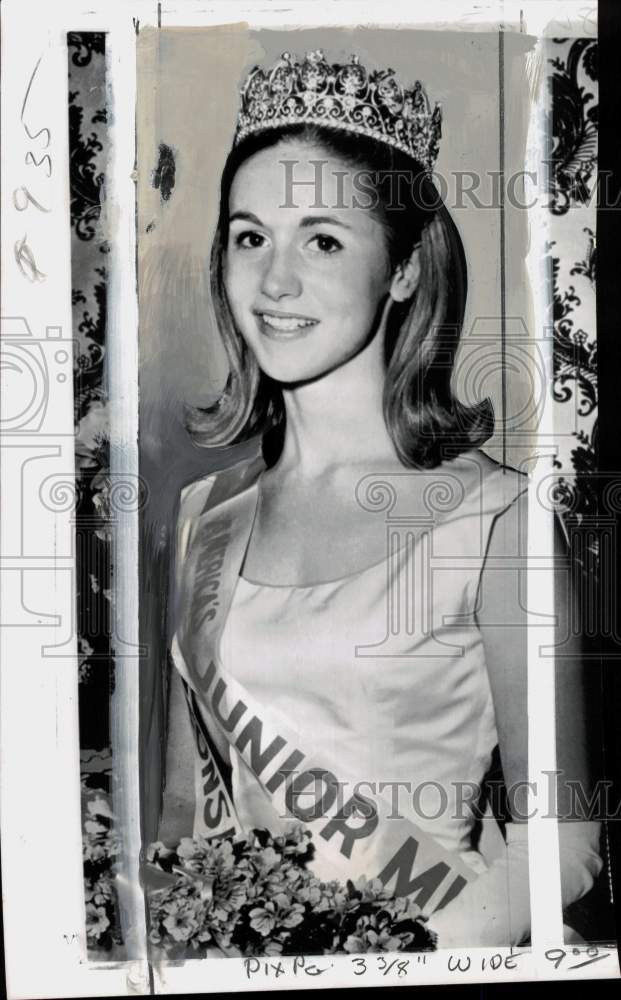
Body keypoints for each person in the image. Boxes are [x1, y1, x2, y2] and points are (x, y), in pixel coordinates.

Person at [157, 50, 603, 948]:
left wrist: (378, 962)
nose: (273, 282)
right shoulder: (202, 512)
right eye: (250, 236)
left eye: (322, 239)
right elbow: (180, 813)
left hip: (425, 943)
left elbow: (563, 844)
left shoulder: (497, 521)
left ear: (402, 270)